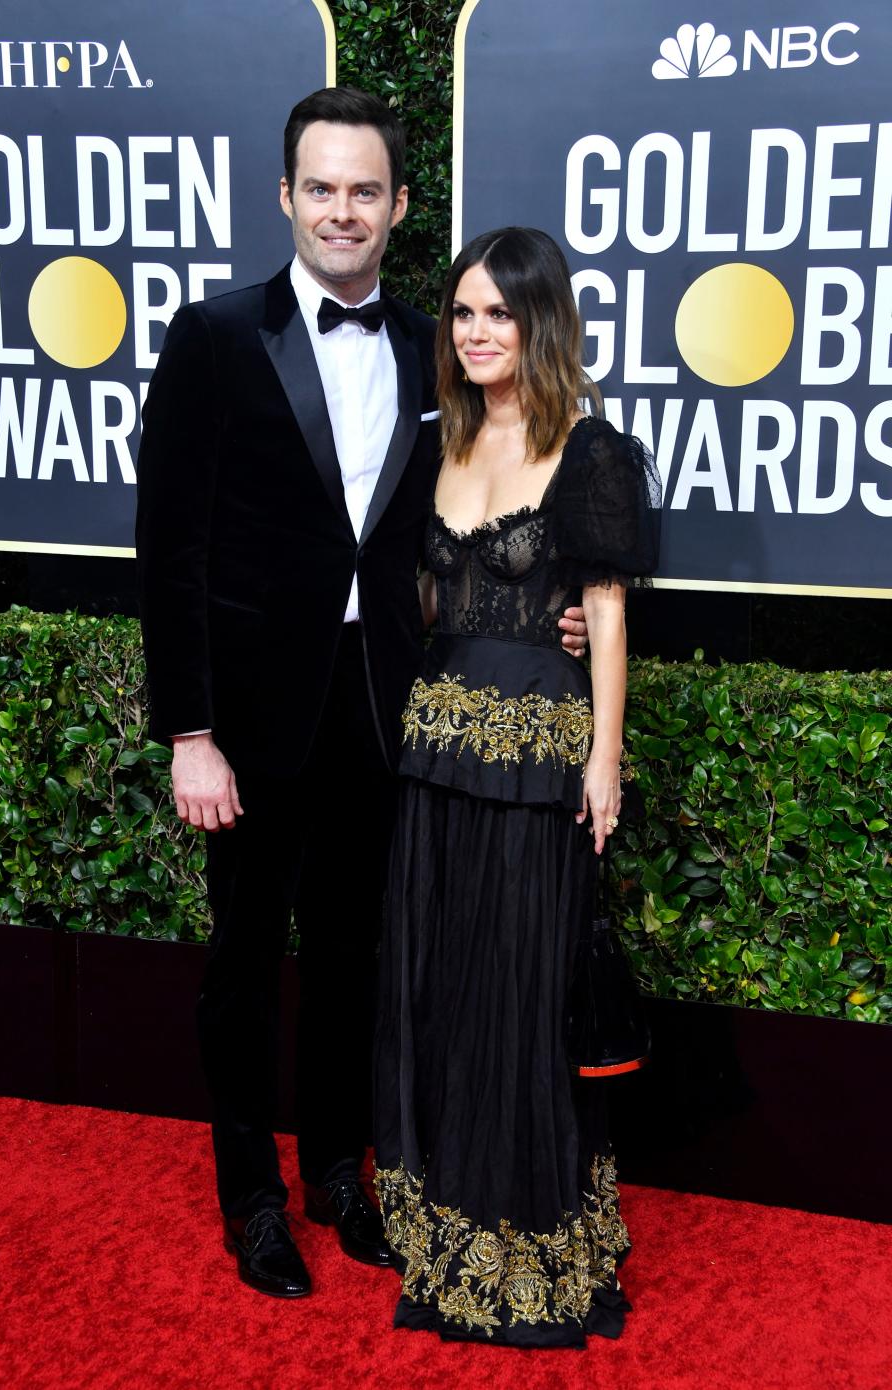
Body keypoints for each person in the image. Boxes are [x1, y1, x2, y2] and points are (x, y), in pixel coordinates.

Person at [136, 86, 593, 1301]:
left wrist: (546, 600)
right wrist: (190, 731)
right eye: (322, 187)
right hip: (249, 714)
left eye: (366, 190)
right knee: (243, 961)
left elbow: (477, 506)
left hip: (387, 706)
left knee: (352, 956)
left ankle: (342, 1171)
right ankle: (252, 1199)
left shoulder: (425, 350)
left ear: (397, 207)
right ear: (288, 197)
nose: (344, 209)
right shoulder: (215, 336)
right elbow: (168, 547)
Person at [373, 226, 661, 1348]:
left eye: (501, 312)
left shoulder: (591, 451)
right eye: (463, 313)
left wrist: (603, 760)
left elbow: (612, 614)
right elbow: (434, 608)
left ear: (543, 322)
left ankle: (531, 1237)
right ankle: (446, 1221)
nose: (479, 331)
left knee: (523, 992)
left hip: (540, 761)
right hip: (433, 752)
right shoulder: (431, 442)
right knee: (442, 986)